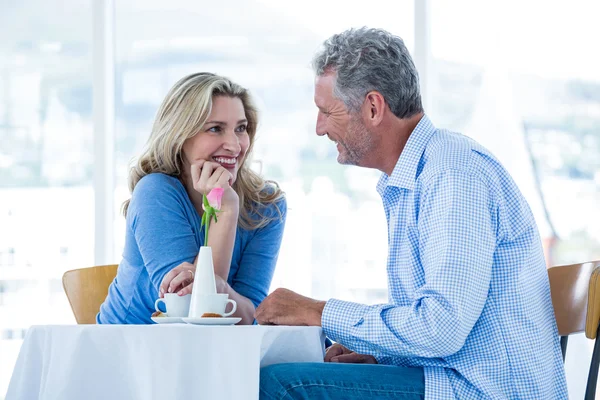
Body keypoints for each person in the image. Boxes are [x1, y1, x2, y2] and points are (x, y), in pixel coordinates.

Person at [255, 28, 567, 399]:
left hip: (486, 391)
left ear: (373, 107)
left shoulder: (452, 175)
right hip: (457, 380)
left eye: (327, 112)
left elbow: (442, 328)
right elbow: (439, 327)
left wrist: (319, 312)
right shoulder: (420, 176)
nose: (320, 128)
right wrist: (379, 354)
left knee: (281, 384)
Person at [98, 72, 286, 325]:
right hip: (130, 348)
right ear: (180, 136)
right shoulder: (155, 192)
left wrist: (223, 291)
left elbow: (252, 316)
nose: (234, 144)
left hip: (212, 352)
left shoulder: (266, 205)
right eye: (215, 129)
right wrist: (225, 210)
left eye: (241, 128)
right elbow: (191, 311)